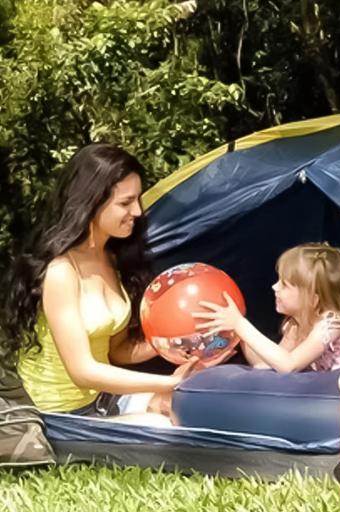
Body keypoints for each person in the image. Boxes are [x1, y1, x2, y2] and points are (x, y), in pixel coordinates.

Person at [1, 144, 197, 426]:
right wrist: (168, 383)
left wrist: (165, 345)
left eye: (138, 200)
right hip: (61, 417)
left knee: (188, 408)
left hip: (102, 401)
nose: (138, 211)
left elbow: (116, 351)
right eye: (125, 203)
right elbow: (82, 371)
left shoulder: (112, 259)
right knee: (164, 424)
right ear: (91, 203)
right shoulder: (61, 271)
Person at [194, 242, 340, 390]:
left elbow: (289, 365)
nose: (274, 287)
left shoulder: (331, 324)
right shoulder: (293, 325)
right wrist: (240, 336)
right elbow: (268, 364)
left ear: (313, 297)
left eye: (284, 284)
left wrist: (241, 325)